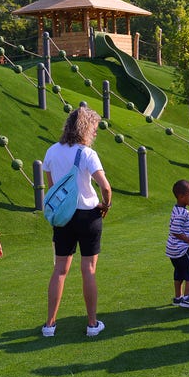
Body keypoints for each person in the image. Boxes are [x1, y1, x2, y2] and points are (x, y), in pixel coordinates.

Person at [41, 107, 112, 337]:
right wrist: (106, 204)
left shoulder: (51, 151)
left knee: (60, 270)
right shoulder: (87, 154)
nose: (95, 133)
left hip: (63, 216)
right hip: (88, 214)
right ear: (85, 128)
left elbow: (53, 188)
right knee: (88, 270)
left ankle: (49, 325)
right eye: (94, 129)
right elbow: (105, 186)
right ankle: (92, 324)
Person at [167, 180, 189, 309]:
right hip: (180, 249)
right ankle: (187, 298)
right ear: (182, 197)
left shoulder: (177, 208)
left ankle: (178, 297)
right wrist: (188, 239)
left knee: (180, 272)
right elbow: (175, 230)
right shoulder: (183, 213)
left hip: (173, 249)